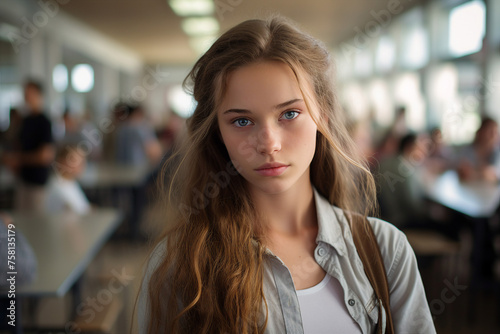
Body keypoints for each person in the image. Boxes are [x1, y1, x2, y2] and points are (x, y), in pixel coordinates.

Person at [137, 17, 435, 334]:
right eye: (241, 121)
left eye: (289, 114)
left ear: (321, 114)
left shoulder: (385, 251)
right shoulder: (180, 264)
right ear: (217, 133)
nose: (269, 144)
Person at [8, 80, 55, 212]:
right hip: (23, 180)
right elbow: (19, 146)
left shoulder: (44, 122)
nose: (27, 97)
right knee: (19, 222)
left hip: (37, 182)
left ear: (39, 95)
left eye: (30, 93)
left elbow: (45, 156)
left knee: (35, 223)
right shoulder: (25, 120)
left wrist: (19, 159)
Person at [45, 145, 90, 214]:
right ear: (61, 161)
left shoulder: (70, 181)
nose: (81, 165)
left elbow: (84, 208)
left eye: (82, 160)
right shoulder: (58, 189)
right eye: (74, 160)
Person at [456, 117, 500, 182]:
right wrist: (484, 173)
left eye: (495, 132)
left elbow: (495, 175)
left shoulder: (497, 152)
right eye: (490, 131)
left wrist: (474, 172)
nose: (493, 135)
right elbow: (462, 172)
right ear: (481, 131)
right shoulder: (467, 150)